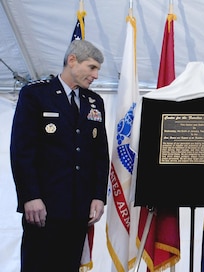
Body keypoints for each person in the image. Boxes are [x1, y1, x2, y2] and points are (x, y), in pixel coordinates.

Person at [10, 39, 109, 272]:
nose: (95, 75)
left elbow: (99, 154)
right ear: (72, 60)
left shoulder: (94, 102)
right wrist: (30, 196)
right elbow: (22, 150)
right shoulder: (36, 95)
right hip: (44, 207)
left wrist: (98, 196)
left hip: (79, 208)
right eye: (92, 67)